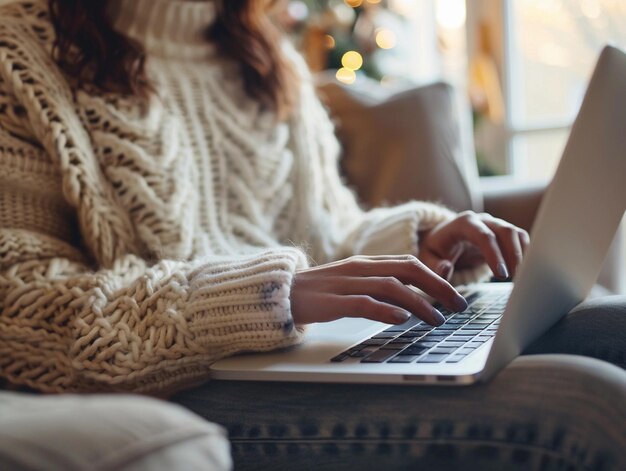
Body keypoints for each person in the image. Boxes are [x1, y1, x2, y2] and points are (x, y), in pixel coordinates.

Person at [0, 0, 623, 469]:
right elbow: (21, 309)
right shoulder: (19, 52)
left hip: (307, 353)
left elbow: (327, 234)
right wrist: (265, 297)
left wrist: (416, 243)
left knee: (615, 328)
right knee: (589, 409)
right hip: (179, 386)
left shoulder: (264, 51)